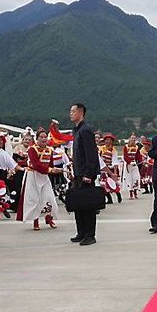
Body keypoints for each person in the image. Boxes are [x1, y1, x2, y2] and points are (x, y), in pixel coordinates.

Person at [18, 128, 61, 230]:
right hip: (33, 176)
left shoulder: (50, 150)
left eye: (45, 137)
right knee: (34, 199)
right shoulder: (32, 149)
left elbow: (50, 164)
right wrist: (50, 170)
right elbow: (36, 164)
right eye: (41, 137)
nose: (43, 139)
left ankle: (49, 218)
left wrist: (54, 170)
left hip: (44, 176)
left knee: (49, 197)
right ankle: (35, 221)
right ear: (37, 139)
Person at [69, 103, 99, 246]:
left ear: (80, 113)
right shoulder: (76, 130)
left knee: (87, 205)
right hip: (78, 172)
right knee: (78, 203)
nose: (70, 113)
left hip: (85, 173)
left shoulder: (85, 130)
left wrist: (88, 173)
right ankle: (81, 232)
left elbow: (91, 153)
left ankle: (89, 234)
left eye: (73, 111)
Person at [121, 134, 143, 200]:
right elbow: (125, 156)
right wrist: (129, 162)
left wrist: (140, 161)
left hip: (134, 164)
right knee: (129, 179)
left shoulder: (136, 147)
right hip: (128, 165)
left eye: (134, 138)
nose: (133, 140)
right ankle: (130, 193)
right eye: (132, 138)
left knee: (136, 178)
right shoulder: (126, 147)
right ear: (129, 139)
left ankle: (135, 192)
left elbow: (138, 156)